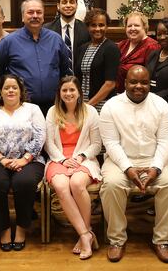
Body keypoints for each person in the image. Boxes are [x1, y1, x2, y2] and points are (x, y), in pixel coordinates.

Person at [99, 65, 168, 264]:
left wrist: (155, 168)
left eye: (143, 82)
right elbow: (111, 143)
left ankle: (163, 241)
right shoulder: (111, 106)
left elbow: (165, 141)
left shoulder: (161, 105)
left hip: (155, 160)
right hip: (119, 161)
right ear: (125, 83)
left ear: (149, 83)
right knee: (111, 185)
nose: (138, 86)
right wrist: (128, 168)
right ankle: (117, 240)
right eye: (133, 82)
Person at [0, 74, 45, 252]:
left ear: (20, 91)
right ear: (0, 92)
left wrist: (24, 159)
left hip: (30, 160)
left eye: (14, 87)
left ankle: (22, 228)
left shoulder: (33, 109)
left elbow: (40, 136)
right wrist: (1, 159)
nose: (10, 90)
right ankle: (3, 229)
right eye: (6, 88)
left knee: (23, 182)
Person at [44, 76, 101, 259]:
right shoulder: (53, 112)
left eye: (72, 90)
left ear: (79, 93)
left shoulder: (91, 112)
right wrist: (62, 160)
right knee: (61, 186)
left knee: (77, 183)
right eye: (64, 90)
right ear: (59, 93)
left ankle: (84, 233)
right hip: (58, 159)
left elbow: (96, 144)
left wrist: (80, 157)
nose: (68, 93)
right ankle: (85, 234)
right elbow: (49, 144)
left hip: (84, 159)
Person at [0, 0, 72, 114]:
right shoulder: (9, 42)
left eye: (39, 12)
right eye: (30, 12)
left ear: (43, 16)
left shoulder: (56, 40)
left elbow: (65, 70)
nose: (35, 16)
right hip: (20, 108)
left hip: (53, 108)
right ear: (22, 16)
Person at [73, 8, 119, 112]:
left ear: (107, 26)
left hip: (102, 105)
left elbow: (110, 84)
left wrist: (89, 105)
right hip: (82, 103)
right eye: (93, 25)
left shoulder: (111, 48)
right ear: (88, 27)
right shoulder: (82, 48)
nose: (97, 29)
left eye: (101, 25)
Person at [44, 0, 91, 66]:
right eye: (64, 2)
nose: (68, 5)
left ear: (77, 5)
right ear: (58, 6)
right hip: (56, 76)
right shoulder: (47, 29)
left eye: (72, 2)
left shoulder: (86, 29)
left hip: (79, 76)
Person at [116, 11, 160, 93]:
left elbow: (150, 77)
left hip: (138, 95)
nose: (132, 28)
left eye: (136, 25)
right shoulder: (122, 44)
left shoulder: (152, 46)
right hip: (118, 95)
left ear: (144, 27)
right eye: (129, 26)